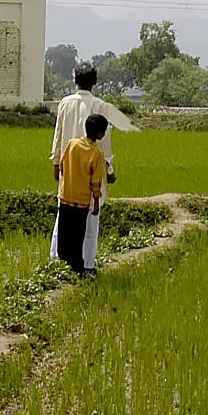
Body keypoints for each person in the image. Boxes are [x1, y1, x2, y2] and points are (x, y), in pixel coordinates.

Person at [49, 63, 139, 274]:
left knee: (63, 216)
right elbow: (104, 144)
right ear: (94, 82)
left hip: (69, 168)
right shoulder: (100, 106)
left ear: (75, 80)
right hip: (91, 169)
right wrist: (109, 170)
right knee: (90, 219)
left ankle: (56, 261)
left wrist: (56, 165)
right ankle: (87, 263)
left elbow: (58, 136)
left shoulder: (64, 103)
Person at [54, 113, 109, 275]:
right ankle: (77, 270)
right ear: (101, 134)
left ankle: (61, 268)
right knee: (77, 239)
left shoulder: (72, 144)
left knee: (64, 238)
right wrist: (97, 203)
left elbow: (62, 166)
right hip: (81, 202)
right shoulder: (96, 154)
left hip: (65, 198)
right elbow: (96, 183)